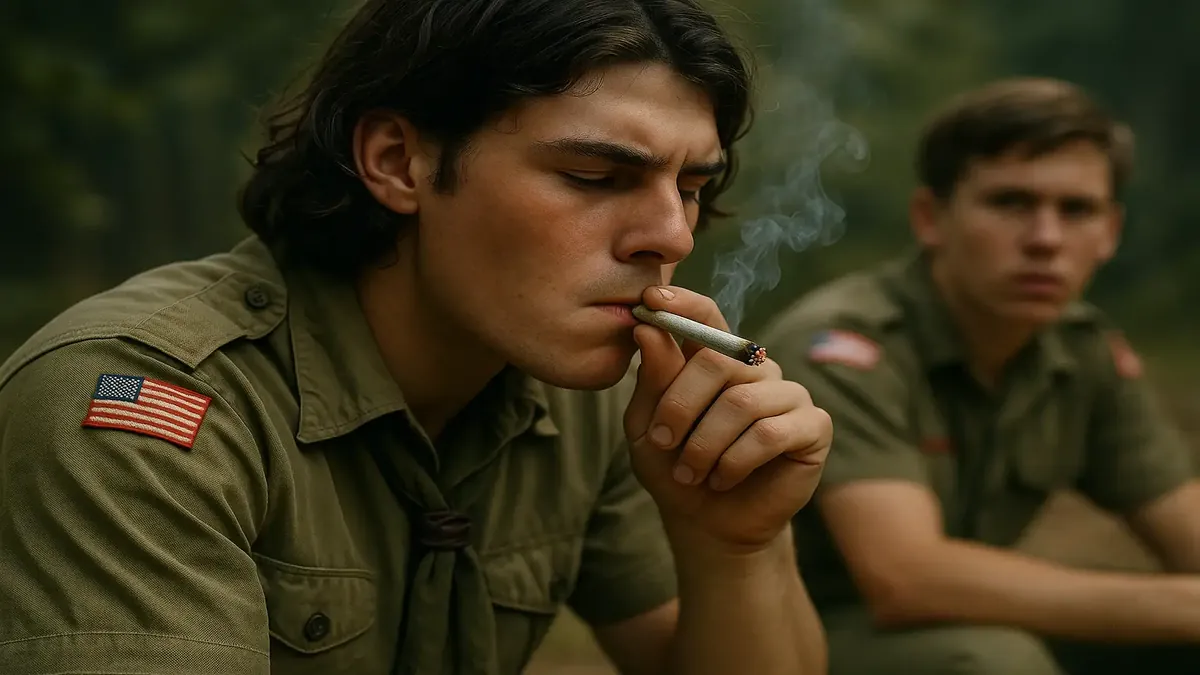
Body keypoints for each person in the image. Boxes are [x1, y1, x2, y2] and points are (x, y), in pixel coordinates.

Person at [0, 1, 834, 674]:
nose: (672, 236)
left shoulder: (604, 403)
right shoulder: (148, 408)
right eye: (594, 177)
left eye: (690, 186)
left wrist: (735, 545)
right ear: (398, 162)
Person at [761, 76, 1200, 675]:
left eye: (1077, 210)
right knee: (993, 662)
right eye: (1011, 203)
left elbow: (1185, 527)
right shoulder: (847, 347)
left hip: (958, 628)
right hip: (789, 635)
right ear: (930, 217)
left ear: (1110, 233)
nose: (1045, 239)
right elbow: (905, 580)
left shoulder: (1082, 353)